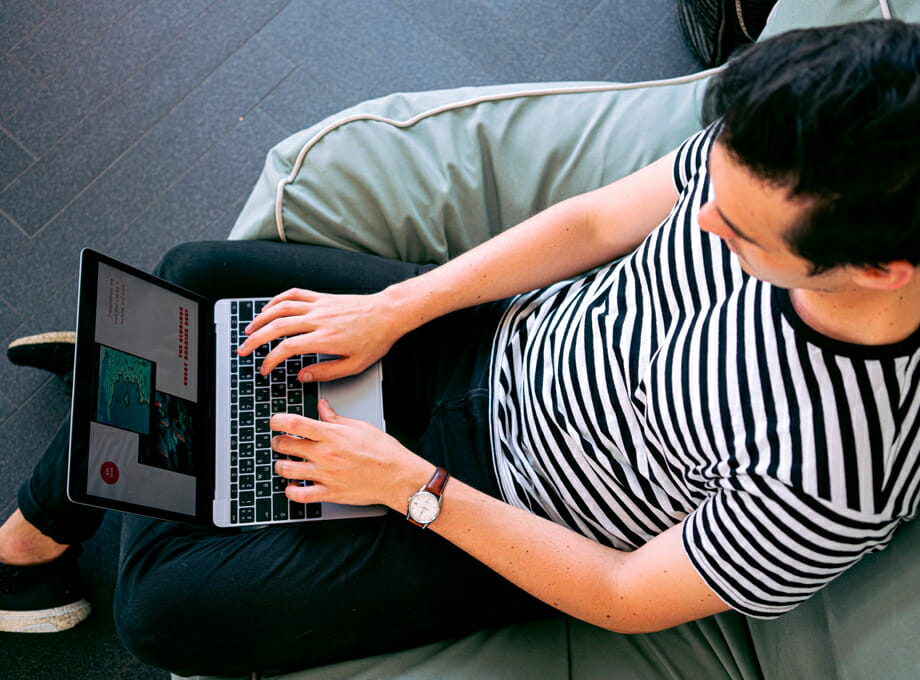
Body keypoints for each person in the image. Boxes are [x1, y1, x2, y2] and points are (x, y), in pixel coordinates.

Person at [3, 17, 920, 676]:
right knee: (199, 273)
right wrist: (399, 306)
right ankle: (86, 471)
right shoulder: (788, 142)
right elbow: (602, 216)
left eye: (740, 237)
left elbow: (626, 594)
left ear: (883, 269)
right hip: (504, 338)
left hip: (504, 506)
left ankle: (105, 433)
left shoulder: (834, 474)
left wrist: (409, 485)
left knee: (163, 612)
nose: (700, 218)